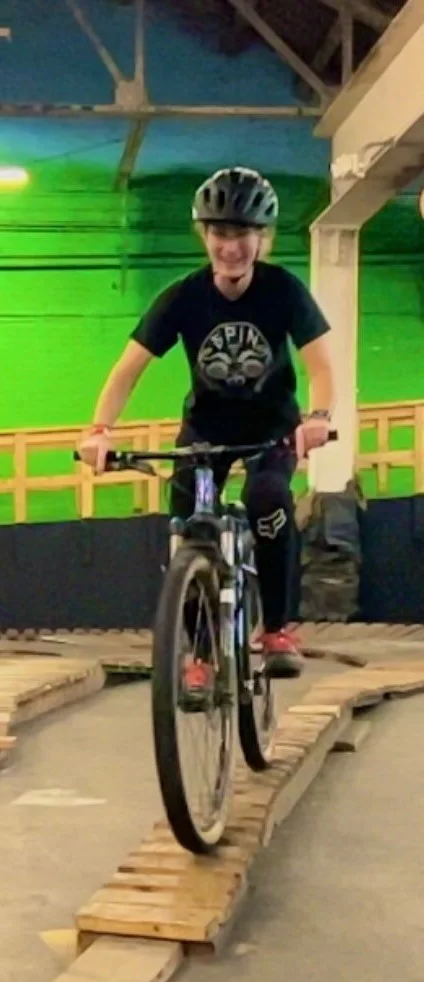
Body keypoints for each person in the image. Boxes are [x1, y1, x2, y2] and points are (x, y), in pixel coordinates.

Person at [78, 166, 336, 682]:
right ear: (204, 234)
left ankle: (276, 628)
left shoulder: (283, 290)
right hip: (206, 431)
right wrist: (100, 430)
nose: (231, 247)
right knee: (188, 524)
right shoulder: (184, 297)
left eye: (243, 233)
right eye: (220, 232)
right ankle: (199, 654)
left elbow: (322, 367)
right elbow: (127, 370)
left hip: (271, 431)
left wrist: (318, 418)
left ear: (262, 238)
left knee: (268, 499)